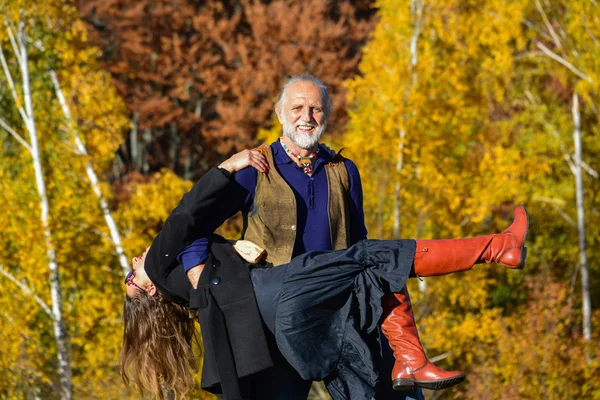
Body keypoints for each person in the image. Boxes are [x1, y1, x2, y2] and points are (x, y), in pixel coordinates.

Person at [120, 161, 529, 400]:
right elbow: (185, 215)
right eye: (130, 275)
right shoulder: (159, 265)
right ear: (150, 288)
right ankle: (497, 247)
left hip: (278, 331)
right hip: (280, 292)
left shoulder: (194, 291)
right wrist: (231, 163)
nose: (135, 261)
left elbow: (197, 241)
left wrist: (225, 251)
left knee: (362, 317)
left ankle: (410, 360)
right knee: (369, 256)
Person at [178, 75, 459, 400]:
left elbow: (360, 245)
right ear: (280, 114)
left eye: (316, 109)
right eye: (297, 108)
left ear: (327, 114)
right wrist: (198, 272)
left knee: (394, 392)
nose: (307, 117)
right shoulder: (255, 168)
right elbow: (194, 225)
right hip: (277, 320)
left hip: (341, 311)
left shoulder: (344, 170)